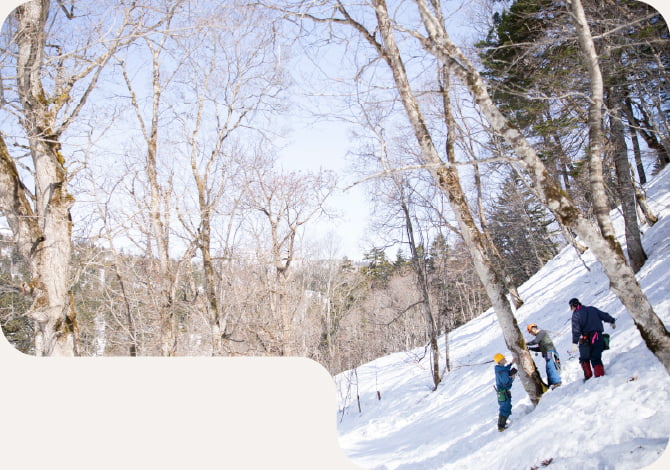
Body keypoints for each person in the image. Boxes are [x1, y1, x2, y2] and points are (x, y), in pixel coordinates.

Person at [569, 298, 616, 380]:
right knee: (596, 357)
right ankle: (600, 376)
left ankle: (589, 377)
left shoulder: (576, 315)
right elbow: (603, 315)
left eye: (571, 307)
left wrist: (574, 343)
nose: (571, 309)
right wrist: (611, 321)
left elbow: (576, 331)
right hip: (599, 337)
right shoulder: (592, 309)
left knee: (584, 358)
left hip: (586, 339)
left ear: (573, 305)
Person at [526, 324, 562, 389]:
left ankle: (557, 382)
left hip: (549, 352)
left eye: (531, 332)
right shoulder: (540, 337)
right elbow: (540, 348)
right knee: (548, 368)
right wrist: (530, 348)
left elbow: (535, 341)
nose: (532, 334)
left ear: (534, 329)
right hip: (547, 352)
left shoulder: (541, 333)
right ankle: (551, 383)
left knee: (550, 366)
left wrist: (526, 343)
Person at [493, 353, 517, 432]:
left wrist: (511, 364)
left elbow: (505, 370)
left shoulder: (499, 369)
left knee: (505, 408)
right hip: (504, 393)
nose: (505, 359)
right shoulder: (502, 371)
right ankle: (501, 426)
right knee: (505, 409)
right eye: (503, 358)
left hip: (502, 393)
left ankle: (502, 424)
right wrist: (512, 378)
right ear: (500, 361)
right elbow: (506, 382)